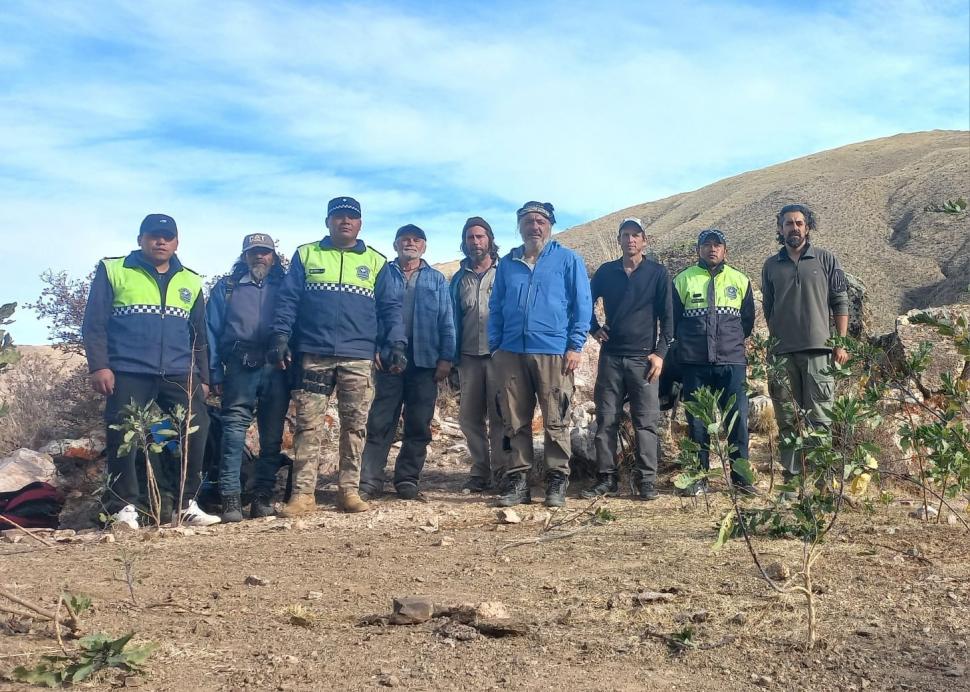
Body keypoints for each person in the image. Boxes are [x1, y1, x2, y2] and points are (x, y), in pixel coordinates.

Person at [81, 213, 220, 528]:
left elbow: (199, 336)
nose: (161, 241)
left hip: (178, 373)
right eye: (154, 235)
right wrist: (99, 366)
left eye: (167, 237)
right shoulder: (114, 270)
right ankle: (122, 508)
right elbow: (94, 324)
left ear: (176, 242)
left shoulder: (190, 279)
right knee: (124, 436)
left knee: (194, 432)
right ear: (140, 239)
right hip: (128, 369)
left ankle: (186, 504)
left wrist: (204, 378)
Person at [270, 196, 405, 515]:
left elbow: (390, 308)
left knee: (355, 425)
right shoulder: (307, 254)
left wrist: (396, 343)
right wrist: (280, 335)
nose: (345, 221)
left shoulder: (376, 261)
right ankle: (303, 495)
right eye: (339, 216)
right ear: (328, 221)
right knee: (308, 424)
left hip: (358, 356)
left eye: (352, 217)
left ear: (360, 223)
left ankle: (349, 490)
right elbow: (288, 300)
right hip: (314, 354)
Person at [489, 201, 592, 508]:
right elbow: (496, 307)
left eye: (540, 221)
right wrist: (495, 345)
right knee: (514, 420)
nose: (535, 226)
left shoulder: (568, 259)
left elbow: (582, 306)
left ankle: (557, 481)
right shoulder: (508, 263)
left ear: (549, 226)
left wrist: (575, 346)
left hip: (553, 352)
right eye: (529, 221)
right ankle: (518, 481)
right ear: (519, 226)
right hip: (510, 351)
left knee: (556, 418)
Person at [359, 225, 455, 500]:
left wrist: (446, 357)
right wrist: (375, 346)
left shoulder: (436, 279)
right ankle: (369, 481)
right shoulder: (383, 273)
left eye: (416, 240)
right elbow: (371, 313)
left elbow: (446, 321)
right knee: (380, 421)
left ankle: (407, 479)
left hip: (425, 359)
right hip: (388, 358)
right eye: (405, 240)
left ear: (424, 246)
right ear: (395, 244)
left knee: (418, 423)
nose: (410, 244)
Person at [583, 217, 673, 500]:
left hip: (643, 360)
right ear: (619, 240)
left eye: (636, 235)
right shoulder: (606, 272)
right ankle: (606, 478)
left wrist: (660, 354)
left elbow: (668, 319)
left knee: (645, 422)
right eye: (625, 235)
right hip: (611, 357)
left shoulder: (657, 273)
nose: (631, 240)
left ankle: (646, 480)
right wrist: (594, 329)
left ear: (644, 240)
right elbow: (584, 300)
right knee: (606, 420)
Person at [761, 203, 849, 481]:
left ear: (807, 227)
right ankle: (792, 479)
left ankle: (822, 481)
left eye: (799, 223)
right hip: (783, 353)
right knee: (787, 420)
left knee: (820, 419)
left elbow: (840, 301)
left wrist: (841, 343)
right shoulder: (770, 265)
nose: (794, 228)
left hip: (819, 352)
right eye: (788, 223)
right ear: (780, 228)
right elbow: (769, 308)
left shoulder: (825, 259)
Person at [205, 233, 289, 522]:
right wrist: (214, 371)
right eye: (253, 252)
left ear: (274, 257)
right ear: (244, 257)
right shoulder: (226, 288)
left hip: (277, 367)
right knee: (233, 432)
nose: (259, 257)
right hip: (239, 366)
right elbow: (210, 332)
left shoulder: (287, 287)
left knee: (272, 436)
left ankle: (263, 496)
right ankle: (230, 499)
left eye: (265, 252)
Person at [673, 228, 756, 495]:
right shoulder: (683, 279)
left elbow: (747, 322)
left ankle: (742, 481)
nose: (712, 249)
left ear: (725, 250)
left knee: (737, 422)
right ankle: (699, 478)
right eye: (707, 245)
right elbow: (673, 321)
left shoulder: (740, 280)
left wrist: (729, 345)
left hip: (731, 363)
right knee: (697, 424)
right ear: (698, 250)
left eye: (717, 245)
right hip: (694, 364)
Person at [448, 216, 508, 492]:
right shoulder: (459, 279)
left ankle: (503, 472)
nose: (475, 242)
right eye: (470, 237)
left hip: (500, 356)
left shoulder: (506, 271)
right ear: (464, 242)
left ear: (490, 239)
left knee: (500, 416)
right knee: (470, 418)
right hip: (469, 357)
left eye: (480, 236)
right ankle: (479, 471)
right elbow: (451, 319)